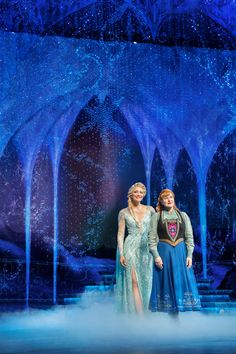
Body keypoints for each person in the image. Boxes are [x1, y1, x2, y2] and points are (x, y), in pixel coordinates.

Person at [149, 189, 201, 313]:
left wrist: (189, 255)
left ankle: (177, 322)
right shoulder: (156, 217)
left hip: (180, 254)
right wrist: (156, 256)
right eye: (166, 198)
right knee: (166, 285)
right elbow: (151, 239)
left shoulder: (183, 215)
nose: (169, 199)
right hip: (164, 254)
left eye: (171, 197)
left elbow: (189, 237)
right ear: (161, 201)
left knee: (179, 283)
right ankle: (169, 322)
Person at [116, 182, 155, 314]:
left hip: (146, 248)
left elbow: (156, 230)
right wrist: (121, 253)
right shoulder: (123, 212)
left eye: (141, 192)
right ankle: (140, 316)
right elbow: (120, 234)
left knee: (146, 280)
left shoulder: (150, 210)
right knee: (134, 281)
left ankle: (147, 310)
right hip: (130, 247)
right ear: (131, 194)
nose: (139, 194)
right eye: (136, 192)